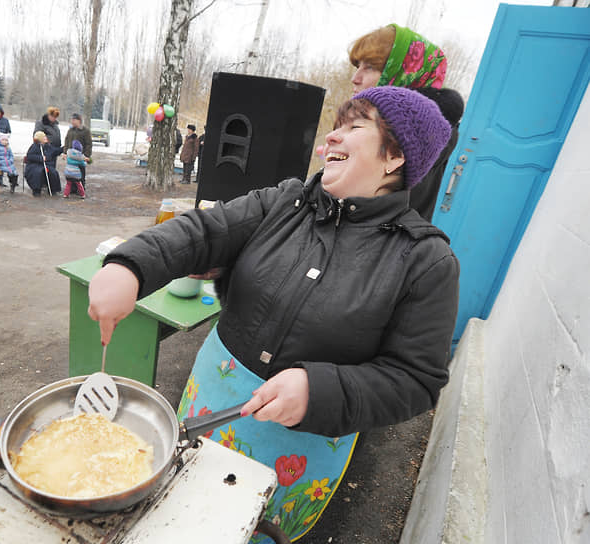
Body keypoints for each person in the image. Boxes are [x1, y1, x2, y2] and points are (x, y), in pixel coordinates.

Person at [87, 86, 458, 543]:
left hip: (302, 445)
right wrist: (130, 265)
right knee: (178, 518)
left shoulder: (425, 261)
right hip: (211, 399)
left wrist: (320, 390)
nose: (331, 140)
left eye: (353, 127)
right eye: (335, 127)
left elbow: (417, 379)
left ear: (395, 155)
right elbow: (204, 232)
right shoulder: (285, 202)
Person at [349, 23, 463, 222]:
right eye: (358, 66)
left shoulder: (414, 134)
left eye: (370, 67)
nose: (355, 78)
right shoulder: (377, 122)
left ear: (405, 74)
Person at [24, 131, 62, 196]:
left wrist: (63, 149)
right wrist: (41, 158)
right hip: (34, 165)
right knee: (37, 172)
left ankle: (54, 189)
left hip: (44, 165)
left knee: (52, 172)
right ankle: (36, 190)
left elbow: (54, 151)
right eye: (44, 137)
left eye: (45, 136)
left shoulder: (48, 146)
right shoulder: (34, 146)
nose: (46, 138)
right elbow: (30, 156)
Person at [64, 113, 91, 187]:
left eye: (73, 120)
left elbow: (89, 144)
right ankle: (72, 188)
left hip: (80, 156)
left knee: (81, 173)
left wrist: (87, 155)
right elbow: (66, 141)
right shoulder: (70, 130)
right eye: (71, 120)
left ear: (79, 120)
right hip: (70, 156)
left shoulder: (85, 130)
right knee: (71, 172)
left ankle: (81, 188)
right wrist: (65, 152)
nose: (72, 121)